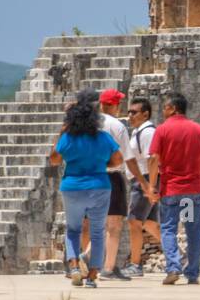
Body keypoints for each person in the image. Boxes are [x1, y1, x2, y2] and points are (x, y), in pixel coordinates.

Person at [50, 90, 122, 288]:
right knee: (98, 232)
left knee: (73, 230)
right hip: (99, 186)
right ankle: (91, 276)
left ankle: (74, 266)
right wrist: (100, 165)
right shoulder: (103, 137)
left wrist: (61, 132)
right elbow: (118, 160)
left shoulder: (68, 138)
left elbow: (54, 159)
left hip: (72, 186)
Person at [148, 92, 200, 286]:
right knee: (192, 230)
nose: (163, 111)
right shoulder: (198, 130)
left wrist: (151, 185)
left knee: (168, 229)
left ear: (174, 108)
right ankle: (192, 272)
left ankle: (173, 267)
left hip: (172, 191)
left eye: (166, 107)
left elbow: (153, 158)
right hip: (192, 192)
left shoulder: (162, 130)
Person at [96, 89, 133, 281]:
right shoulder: (116, 126)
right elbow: (127, 156)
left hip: (89, 176)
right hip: (111, 176)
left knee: (96, 223)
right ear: (113, 105)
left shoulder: (88, 124)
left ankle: (89, 259)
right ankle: (108, 267)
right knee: (114, 224)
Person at [123, 97, 159, 277]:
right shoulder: (139, 131)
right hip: (144, 181)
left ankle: (135, 265)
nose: (130, 115)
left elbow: (152, 159)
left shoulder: (147, 133)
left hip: (144, 181)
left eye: (134, 112)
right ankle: (180, 257)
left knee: (134, 222)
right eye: (129, 112)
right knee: (150, 224)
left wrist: (149, 186)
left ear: (145, 114)